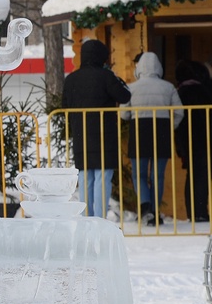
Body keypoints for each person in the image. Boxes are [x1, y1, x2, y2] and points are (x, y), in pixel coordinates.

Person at [62, 38, 131, 218]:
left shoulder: (71, 79)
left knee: (85, 178)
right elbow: (124, 96)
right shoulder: (106, 76)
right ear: (102, 57)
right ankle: (99, 218)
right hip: (104, 133)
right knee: (102, 177)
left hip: (81, 133)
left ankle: (86, 217)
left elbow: (65, 104)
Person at [122, 51, 184, 226]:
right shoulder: (168, 87)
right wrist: (170, 126)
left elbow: (124, 113)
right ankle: (154, 211)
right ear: (159, 67)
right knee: (158, 175)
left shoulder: (132, 87)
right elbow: (179, 111)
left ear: (139, 68)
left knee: (139, 174)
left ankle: (145, 206)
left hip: (139, 131)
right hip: (162, 132)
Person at [174, 60, 212, 224]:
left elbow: (178, 123)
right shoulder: (205, 92)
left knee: (193, 176)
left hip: (188, 142)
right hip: (206, 141)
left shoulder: (179, 94)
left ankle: (193, 213)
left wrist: (180, 148)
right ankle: (201, 213)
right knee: (202, 177)